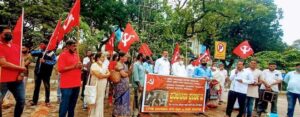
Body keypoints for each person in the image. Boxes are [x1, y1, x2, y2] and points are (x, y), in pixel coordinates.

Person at [0, 26, 26, 117]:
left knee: (21, 101)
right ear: (1, 34)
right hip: (2, 81)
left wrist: (21, 73)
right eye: (6, 34)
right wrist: (20, 69)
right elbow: (3, 63)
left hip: (17, 80)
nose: (9, 35)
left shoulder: (17, 47)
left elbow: (22, 59)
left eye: (10, 33)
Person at [57, 40, 82, 117]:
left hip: (76, 84)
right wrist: (74, 66)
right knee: (64, 106)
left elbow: (79, 67)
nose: (75, 47)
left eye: (75, 45)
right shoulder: (63, 55)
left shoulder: (76, 55)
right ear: (68, 46)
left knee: (72, 107)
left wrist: (80, 66)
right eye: (73, 46)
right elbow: (60, 69)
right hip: (67, 85)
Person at [30, 40, 56, 106]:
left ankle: (47, 101)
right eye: (40, 44)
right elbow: (32, 53)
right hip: (38, 72)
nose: (40, 45)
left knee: (47, 87)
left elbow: (53, 62)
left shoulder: (51, 53)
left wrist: (45, 61)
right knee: (36, 87)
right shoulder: (40, 51)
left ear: (46, 45)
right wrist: (39, 50)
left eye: (42, 44)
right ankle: (34, 101)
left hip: (46, 73)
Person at [89, 53, 110, 117]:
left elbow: (109, 73)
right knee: (95, 99)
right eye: (102, 57)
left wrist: (104, 75)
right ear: (98, 58)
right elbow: (99, 76)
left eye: (104, 57)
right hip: (96, 85)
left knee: (100, 99)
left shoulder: (104, 65)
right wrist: (106, 75)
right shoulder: (94, 65)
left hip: (102, 85)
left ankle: (99, 115)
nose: (104, 58)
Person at [112, 52, 131, 117]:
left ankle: (122, 114)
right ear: (121, 57)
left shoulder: (124, 65)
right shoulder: (119, 64)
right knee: (119, 101)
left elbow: (126, 73)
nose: (126, 58)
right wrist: (128, 73)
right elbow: (124, 74)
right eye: (125, 56)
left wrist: (127, 73)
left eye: (127, 57)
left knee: (124, 102)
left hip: (125, 86)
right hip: (120, 87)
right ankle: (116, 114)